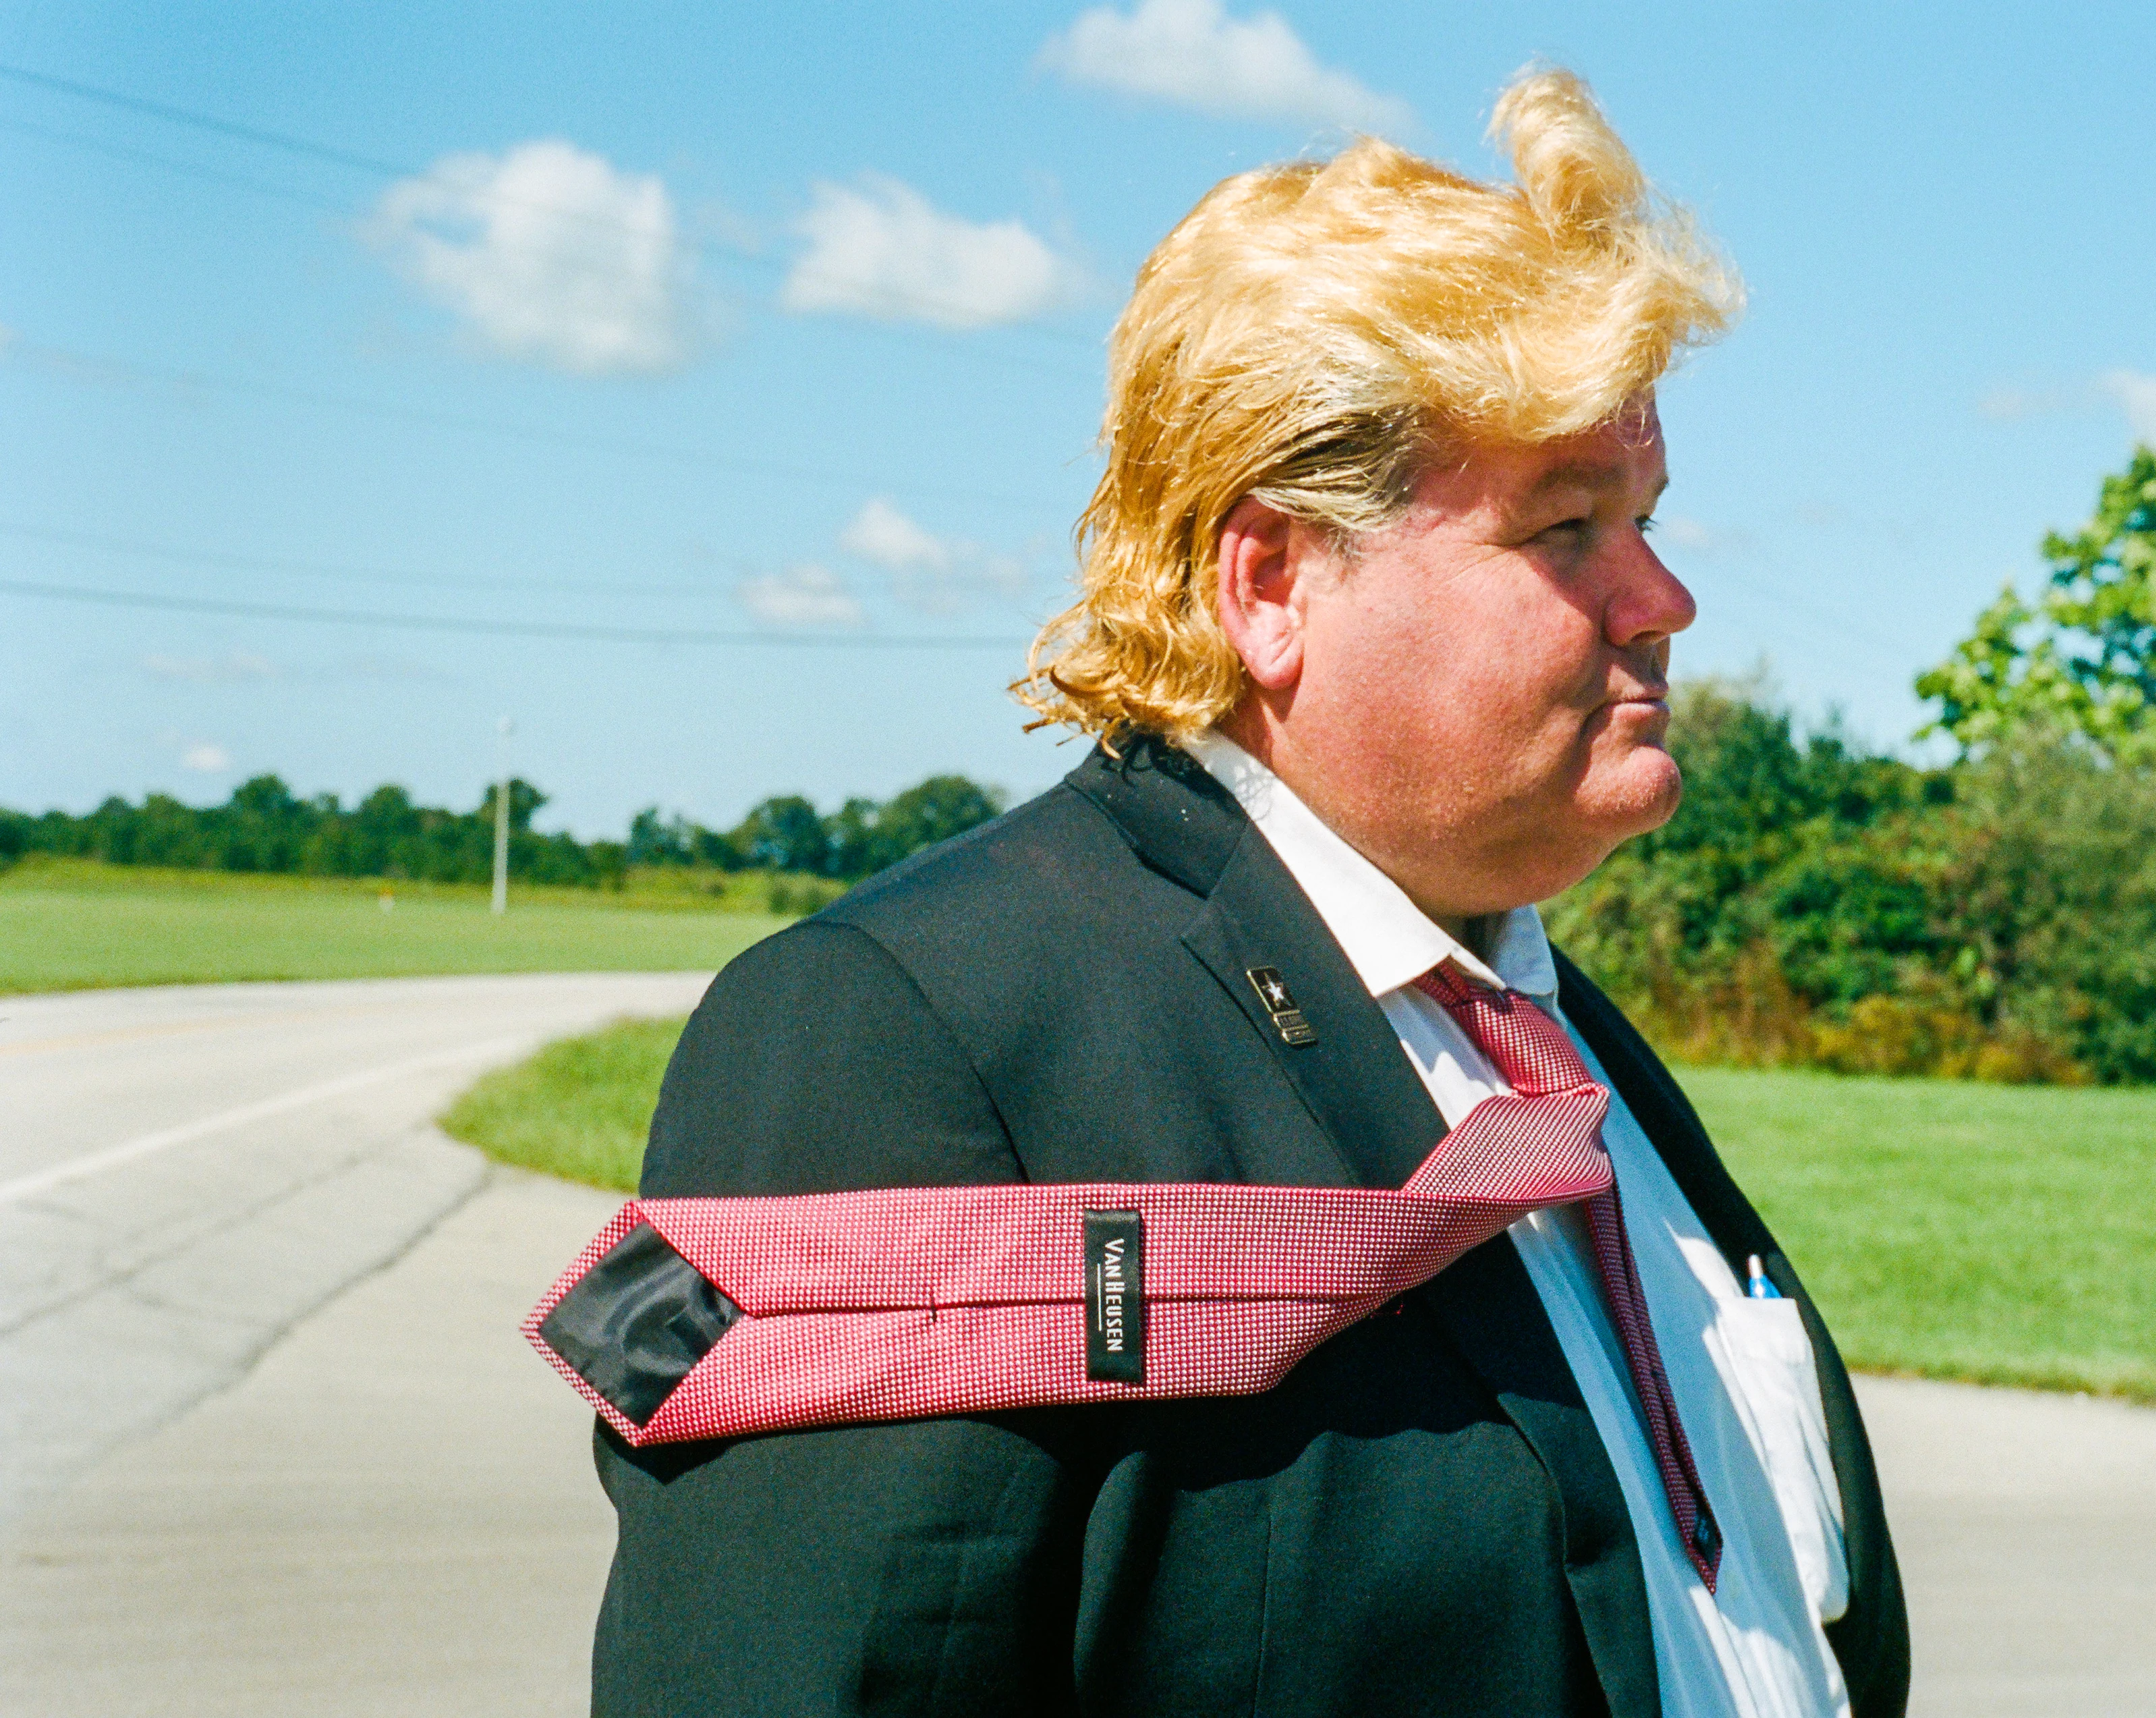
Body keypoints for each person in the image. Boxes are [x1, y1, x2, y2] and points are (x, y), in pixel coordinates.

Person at [575, 68, 1908, 1717]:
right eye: (1567, 527)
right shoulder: (916, 1039)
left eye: (1644, 516)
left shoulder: (1561, 1054)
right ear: (1272, 584)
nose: (1665, 597)